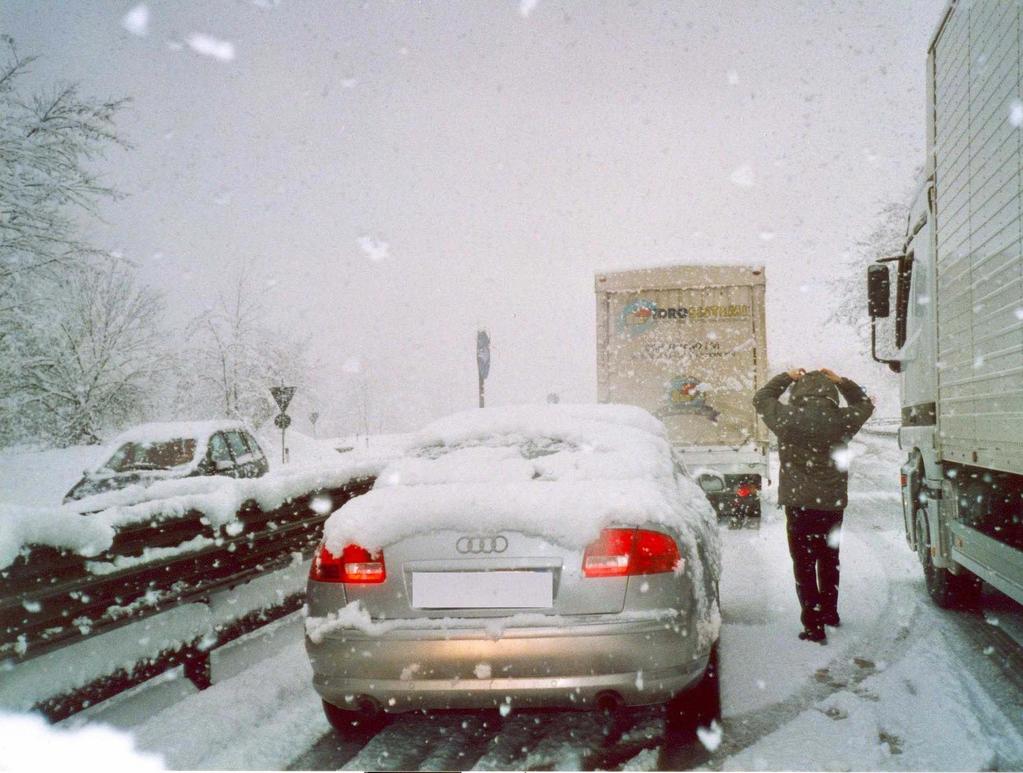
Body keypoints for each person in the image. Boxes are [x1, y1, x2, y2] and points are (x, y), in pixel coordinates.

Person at [752, 367, 874, 644]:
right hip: (831, 504)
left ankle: (813, 624)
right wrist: (842, 381)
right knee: (829, 559)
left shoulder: (787, 418)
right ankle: (830, 612)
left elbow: (761, 398)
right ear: (830, 394)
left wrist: (786, 377)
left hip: (798, 503)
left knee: (804, 563)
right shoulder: (840, 419)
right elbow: (865, 404)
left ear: (799, 394)